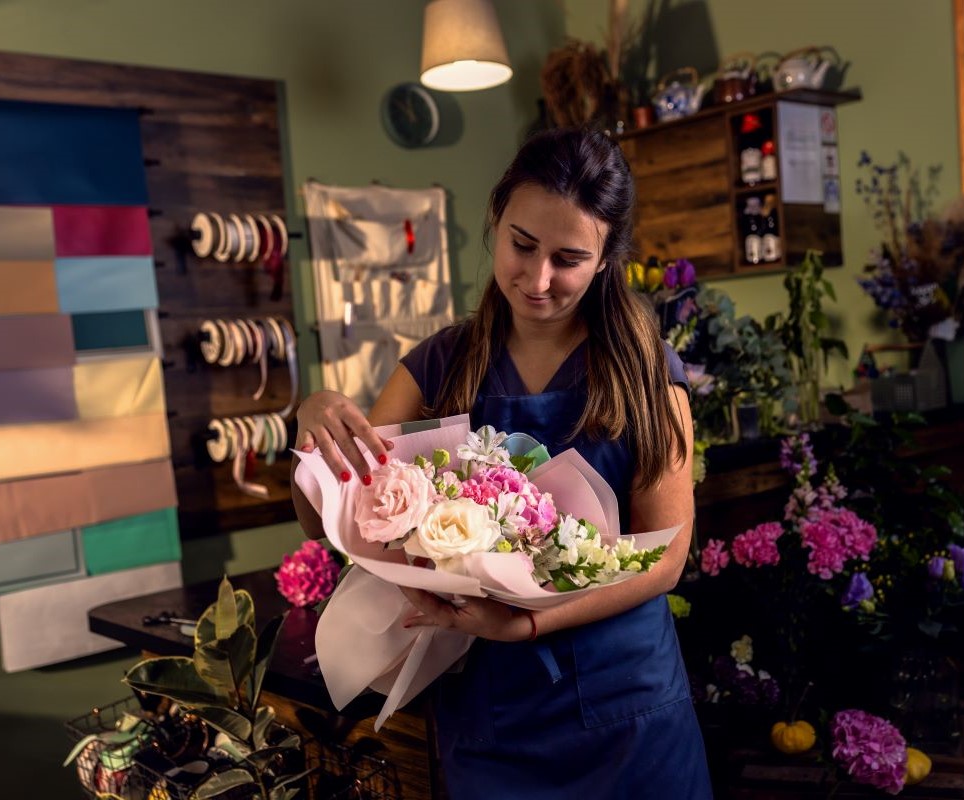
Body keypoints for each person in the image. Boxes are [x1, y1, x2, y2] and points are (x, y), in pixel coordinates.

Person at [291, 128, 712, 799]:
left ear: (606, 260)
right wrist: (313, 423)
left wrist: (526, 623)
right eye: (521, 244)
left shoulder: (641, 368)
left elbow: (665, 558)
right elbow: (331, 521)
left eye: (569, 258)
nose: (537, 279)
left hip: (626, 714)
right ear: (496, 220)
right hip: (492, 716)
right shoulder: (439, 364)